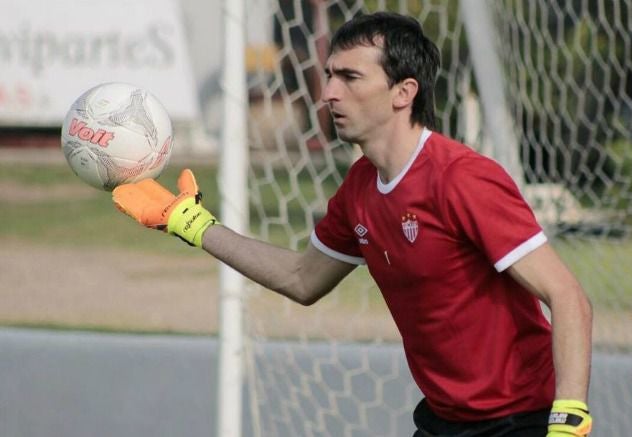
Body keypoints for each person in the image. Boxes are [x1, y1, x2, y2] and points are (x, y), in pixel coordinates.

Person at [113, 11, 593, 437]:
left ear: (404, 92)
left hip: (520, 420)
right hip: (443, 420)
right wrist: (192, 223)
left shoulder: (462, 179)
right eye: (328, 76)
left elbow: (568, 296)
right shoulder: (361, 187)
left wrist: (569, 418)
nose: (329, 93)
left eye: (349, 77)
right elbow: (302, 279)